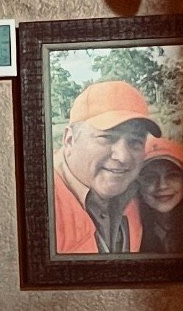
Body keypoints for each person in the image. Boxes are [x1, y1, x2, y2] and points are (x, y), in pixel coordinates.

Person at [51, 78, 159, 256]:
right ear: (69, 140)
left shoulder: (142, 191)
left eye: (135, 142)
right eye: (107, 137)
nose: (123, 157)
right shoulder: (36, 206)